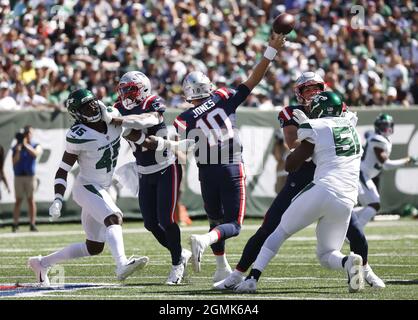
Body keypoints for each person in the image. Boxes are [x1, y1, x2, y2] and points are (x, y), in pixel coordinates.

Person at [215, 72, 385, 291]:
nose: (313, 92)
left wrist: (315, 132)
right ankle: (237, 275)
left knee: (355, 232)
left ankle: (366, 270)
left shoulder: (337, 109)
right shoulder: (292, 113)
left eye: (316, 88)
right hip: (303, 176)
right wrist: (313, 133)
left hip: (328, 177)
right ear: (299, 93)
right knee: (268, 227)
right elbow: (293, 146)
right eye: (307, 89)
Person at [171, 32, 286, 282]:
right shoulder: (222, 97)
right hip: (231, 166)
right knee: (233, 225)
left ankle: (221, 267)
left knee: (215, 219)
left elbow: (180, 151)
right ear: (208, 87)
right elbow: (253, 80)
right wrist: (270, 52)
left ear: (188, 93)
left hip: (206, 171)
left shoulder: (183, 118)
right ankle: (204, 241)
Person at [28, 88, 152, 286]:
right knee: (114, 217)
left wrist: (166, 146)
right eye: (86, 106)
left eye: (93, 102)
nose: (92, 107)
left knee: (94, 247)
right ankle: (121, 264)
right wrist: (58, 199)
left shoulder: (112, 119)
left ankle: (41, 263)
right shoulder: (78, 134)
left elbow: (136, 136)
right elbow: (62, 170)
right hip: (87, 186)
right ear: (77, 114)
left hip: (103, 187)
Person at [115, 71, 191, 285]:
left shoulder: (152, 102)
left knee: (166, 219)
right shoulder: (119, 107)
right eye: (124, 89)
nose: (126, 94)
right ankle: (180, 254)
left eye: (131, 89)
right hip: (144, 170)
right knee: (150, 223)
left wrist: (122, 121)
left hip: (167, 166)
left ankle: (177, 264)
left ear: (143, 88)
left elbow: (148, 120)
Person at [353, 113, 417, 229]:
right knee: (374, 204)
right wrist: (406, 160)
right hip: (361, 173)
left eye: (388, 125)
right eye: (383, 126)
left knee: (373, 205)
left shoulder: (382, 139)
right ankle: (356, 231)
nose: (386, 128)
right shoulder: (378, 139)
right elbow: (386, 164)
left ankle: (349, 215)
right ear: (377, 126)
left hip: (365, 174)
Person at [12, 125, 42, 232]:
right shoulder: (17, 146)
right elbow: (14, 162)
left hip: (30, 176)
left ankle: (32, 224)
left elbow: (36, 153)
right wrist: (19, 149)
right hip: (19, 176)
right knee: (18, 201)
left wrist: (26, 145)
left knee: (31, 200)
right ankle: (15, 224)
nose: (28, 135)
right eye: (26, 133)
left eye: (29, 133)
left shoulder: (35, 144)